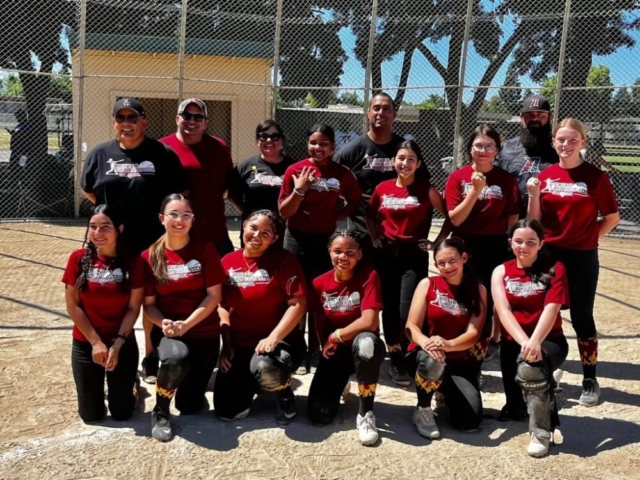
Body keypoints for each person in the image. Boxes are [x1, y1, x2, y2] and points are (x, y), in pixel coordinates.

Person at [527, 118, 620, 407]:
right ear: (553, 142)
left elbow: (612, 217)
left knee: (581, 316)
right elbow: (535, 219)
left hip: (582, 256)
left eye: (572, 140)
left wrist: (589, 238)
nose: (565, 145)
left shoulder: (595, 177)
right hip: (550, 255)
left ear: (583, 143)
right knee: (547, 314)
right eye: (560, 140)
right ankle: (548, 367)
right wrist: (533, 195)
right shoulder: (546, 175)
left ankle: (589, 378)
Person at [141, 194, 226, 442]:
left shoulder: (204, 249)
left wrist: (188, 324)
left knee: (190, 405)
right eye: (173, 215)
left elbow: (214, 296)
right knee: (176, 358)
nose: (180, 220)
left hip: (204, 332)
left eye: (185, 215)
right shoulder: (150, 256)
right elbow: (149, 306)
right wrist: (164, 323)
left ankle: (186, 383)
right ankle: (160, 410)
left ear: (192, 220)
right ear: (161, 219)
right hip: (170, 333)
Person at [365, 140, 451, 385]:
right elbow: (370, 214)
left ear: (418, 163)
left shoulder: (427, 190)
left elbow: (450, 217)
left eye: (410, 159)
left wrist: (436, 244)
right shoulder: (382, 189)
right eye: (401, 158)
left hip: (413, 256)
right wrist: (374, 236)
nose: (405, 163)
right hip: (386, 255)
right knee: (389, 309)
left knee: (408, 311)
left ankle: (411, 353)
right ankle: (396, 359)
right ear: (393, 161)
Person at [278, 124, 362, 373]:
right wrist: (300, 188)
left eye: (324, 143)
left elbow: (355, 198)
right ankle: (296, 348)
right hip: (295, 238)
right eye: (313, 142)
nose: (318, 147)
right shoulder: (295, 170)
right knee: (295, 294)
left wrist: (338, 214)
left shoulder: (342, 173)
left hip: (325, 239)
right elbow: (284, 212)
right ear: (307, 145)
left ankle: (316, 348)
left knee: (320, 295)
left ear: (333, 146)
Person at [214, 210, 307, 425]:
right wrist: (226, 342)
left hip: (278, 343)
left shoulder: (284, 261)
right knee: (227, 411)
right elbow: (221, 306)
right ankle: (253, 382)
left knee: (266, 367)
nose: (257, 235)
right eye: (253, 228)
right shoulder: (227, 262)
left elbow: (298, 304)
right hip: (241, 343)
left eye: (266, 233)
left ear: (274, 239)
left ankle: (284, 393)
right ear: (244, 225)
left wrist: (273, 337)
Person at [492, 219, 570, 457]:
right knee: (517, 409)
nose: (523, 246)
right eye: (518, 241)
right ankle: (547, 381)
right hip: (514, 342)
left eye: (530, 242)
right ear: (510, 242)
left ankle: (541, 431)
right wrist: (524, 342)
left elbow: (552, 308)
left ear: (541, 244)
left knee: (530, 369)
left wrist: (535, 342)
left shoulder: (555, 267)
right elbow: (503, 310)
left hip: (549, 339)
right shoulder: (501, 271)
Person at [444, 125, 521, 360]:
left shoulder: (505, 180)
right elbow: (456, 217)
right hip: (464, 243)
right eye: (479, 145)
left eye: (489, 146)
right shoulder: (458, 177)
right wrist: (475, 191)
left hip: (495, 245)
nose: (484, 150)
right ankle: (460, 344)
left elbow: (512, 217)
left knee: (487, 299)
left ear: (497, 150)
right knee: (463, 296)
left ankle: (480, 349)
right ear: (470, 149)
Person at [62, 204, 144, 423]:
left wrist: (117, 344)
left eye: (105, 227)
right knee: (91, 415)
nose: (98, 233)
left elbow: (134, 308)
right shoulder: (78, 258)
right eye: (93, 226)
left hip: (121, 342)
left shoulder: (133, 262)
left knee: (121, 413)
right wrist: (96, 343)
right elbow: (73, 306)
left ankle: (132, 387)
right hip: (86, 342)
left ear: (120, 229)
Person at [81, 98, 188, 255]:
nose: (126, 123)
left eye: (132, 118)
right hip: (111, 241)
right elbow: (89, 190)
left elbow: (180, 195)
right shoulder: (99, 154)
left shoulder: (163, 154)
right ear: (113, 122)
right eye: (120, 118)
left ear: (144, 122)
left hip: (152, 241)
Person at [308, 230, 386, 446]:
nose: (343, 257)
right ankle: (340, 382)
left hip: (362, 348)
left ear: (360, 254)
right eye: (337, 251)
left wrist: (336, 336)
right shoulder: (319, 283)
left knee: (367, 344)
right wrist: (324, 343)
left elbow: (369, 320)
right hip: (336, 351)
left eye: (350, 252)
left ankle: (366, 414)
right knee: (318, 416)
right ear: (329, 252)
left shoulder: (369, 276)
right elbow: (319, 319)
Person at [405, 238, 486, 439]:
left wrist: (449, 344)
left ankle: (444, 392)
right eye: (441, 263)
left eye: (452, 261)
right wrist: (427, 343)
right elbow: (411, 326)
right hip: (427, 354)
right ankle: (423, 409)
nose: (447, 267)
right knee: (433, 359)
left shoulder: (478, 289)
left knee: (470, 422)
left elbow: (473, 334)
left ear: (464, 258)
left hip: (458, 359)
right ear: (435, 265)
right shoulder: (428, 284)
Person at [159, 98, 242, 257]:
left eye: (198, 117)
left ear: (205, 123)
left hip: (214, 234)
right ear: (177, 119)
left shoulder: (219, 147)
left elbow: (227, 185)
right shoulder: (162, 148)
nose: (192, 120)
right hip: (177, 236)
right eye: (187, 115)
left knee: (221, 280)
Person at [335, 92, 406, 239]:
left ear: (395, 114)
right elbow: (333, 182)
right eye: (376, 108)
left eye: (386, 109)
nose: (381, 113)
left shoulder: (405, 149)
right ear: (368, 113)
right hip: (362, 229)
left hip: (398, 229)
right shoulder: (351, 150)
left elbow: (422, 185)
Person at [495, 95, 559, 214]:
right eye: (529, 115)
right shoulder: (506, 148)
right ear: (521, 117)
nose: (535, 119)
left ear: (550, 117)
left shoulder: (559, 149)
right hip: (511, 219)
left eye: (541, 115)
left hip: (550, 221)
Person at [236, 119, 295, 246]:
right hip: (254, 232)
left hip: (282, 232)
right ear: (258, 141)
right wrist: (249, 212)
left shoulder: (293, 167)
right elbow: (232, 193)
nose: (269, 140)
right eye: (263, 136)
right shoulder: (245, 166)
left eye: (275, 136)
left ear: (282, 141)